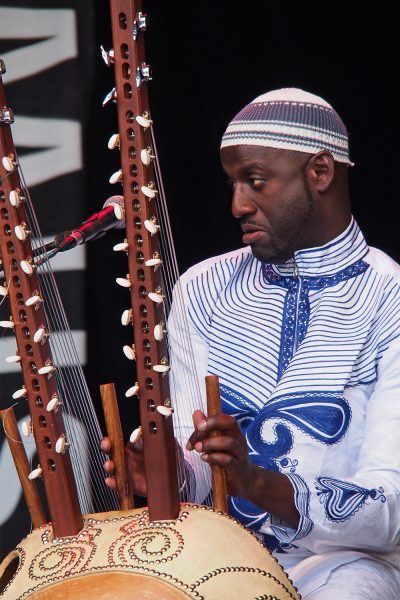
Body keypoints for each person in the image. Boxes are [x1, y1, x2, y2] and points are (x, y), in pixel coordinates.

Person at [102, 88, 400, 598]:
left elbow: (390, 510)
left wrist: (255, 480)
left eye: (255, 182)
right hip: (215, 563)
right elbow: (202, 468)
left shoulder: (388, 294)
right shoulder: (203, 287)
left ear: (320, 172)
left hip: (342, 566)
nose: (238, 204)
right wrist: (167, 475)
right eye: (233, 183)